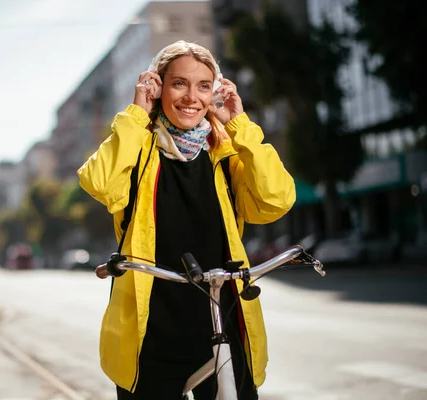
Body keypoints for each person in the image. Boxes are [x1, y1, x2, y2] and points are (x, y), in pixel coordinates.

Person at [77, 40, 295, 399]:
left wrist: (241, 125)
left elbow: (276, 200)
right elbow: (98, 182)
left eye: (203, 86)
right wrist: (136, 113)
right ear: (158, 87)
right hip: (152, 329)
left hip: (223, 319)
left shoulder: (224, 150)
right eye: (179, 83)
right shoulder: (138, 147)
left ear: (214, 93)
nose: (191, 97)